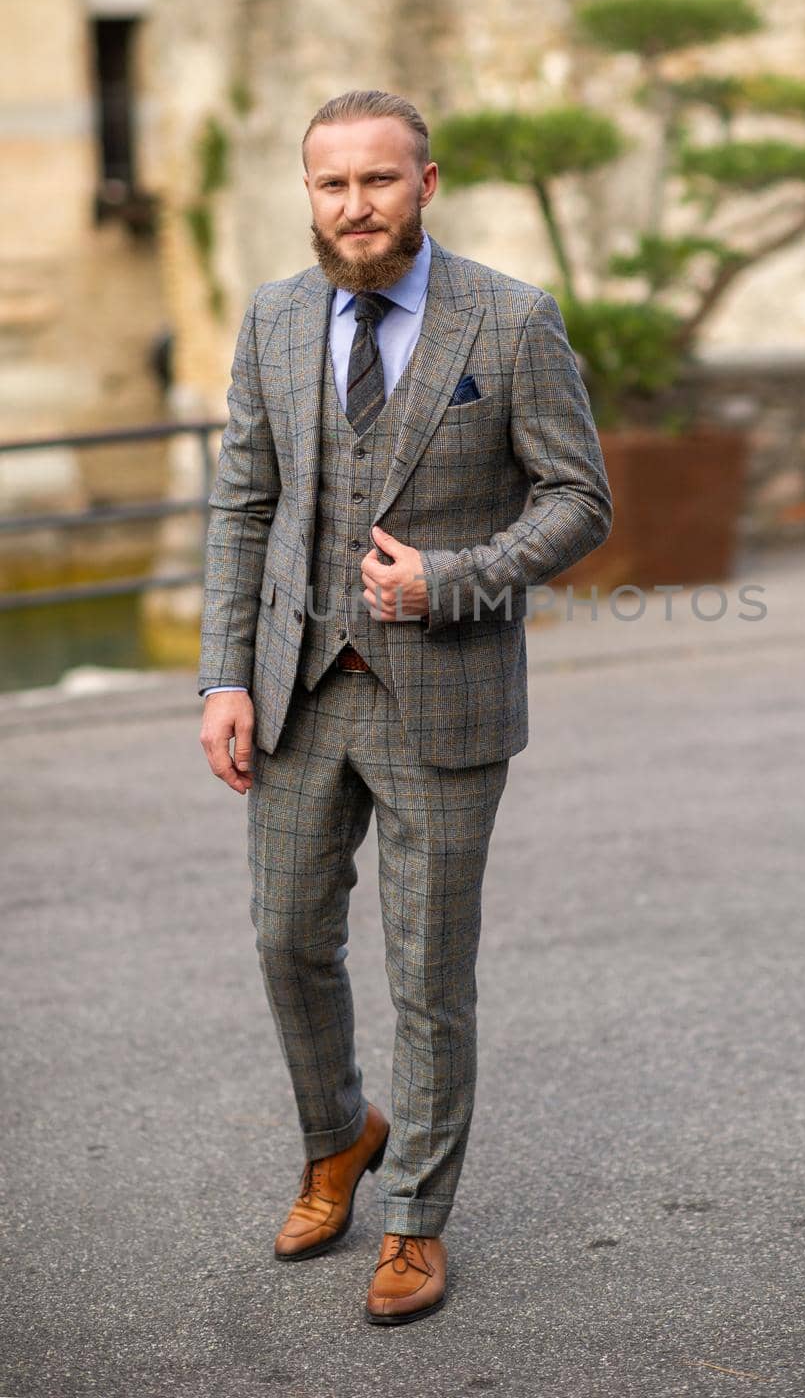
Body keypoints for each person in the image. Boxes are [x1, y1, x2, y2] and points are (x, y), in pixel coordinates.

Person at [197, 88, 611, 1326]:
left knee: (430, 974)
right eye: (332, 185)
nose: (354, 207)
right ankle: (338, 1136)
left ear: (425, 184)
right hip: (295, 689)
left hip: (445, 691)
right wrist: (223, 672)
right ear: (309, 192)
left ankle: (416, 1221)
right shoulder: (274, 318)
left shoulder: (513, 320)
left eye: (379, 182)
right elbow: (242, 508)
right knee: (284, 939)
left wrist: (457, 577)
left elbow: (580, 500)